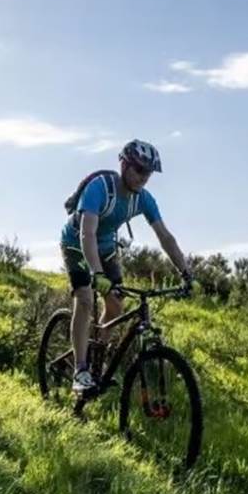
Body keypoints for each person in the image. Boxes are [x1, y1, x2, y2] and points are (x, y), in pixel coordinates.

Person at [61, 139, 192, 395]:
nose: (144, 178)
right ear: (124, 165)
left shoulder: (144, 199)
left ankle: (96, 359)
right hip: (76, 243)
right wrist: (97, 274)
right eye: (140, 170)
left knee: (116, 306)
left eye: (149, 173)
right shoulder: (100, 188)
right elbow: (87, 234)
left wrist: (186, 272)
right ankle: (80, 370)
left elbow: (165, 237)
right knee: (86, 299)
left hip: (107, 247)